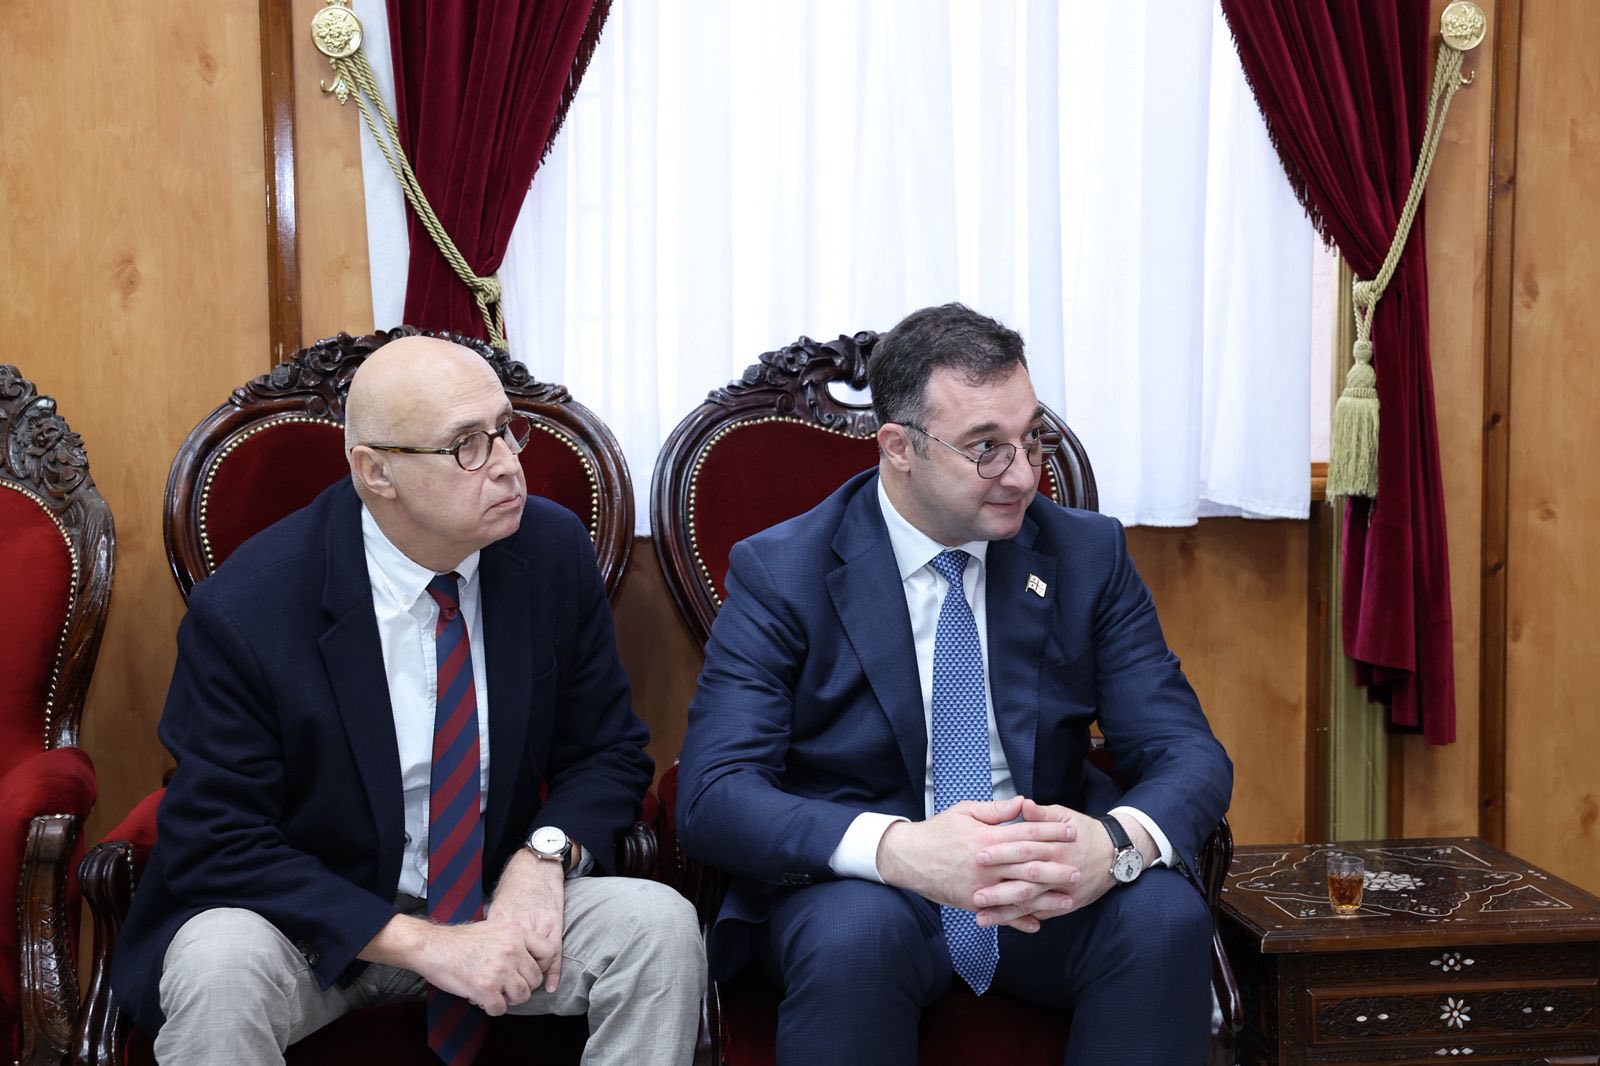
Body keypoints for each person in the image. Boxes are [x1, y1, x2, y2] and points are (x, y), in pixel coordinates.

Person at [112, 336, 705, 1066]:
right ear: (376, 472)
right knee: (217, 969)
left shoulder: (551, 552)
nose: (507, 464)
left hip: (491, 895)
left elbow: (606, 752)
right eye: (466, 446)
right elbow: (217, 837)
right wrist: (423, 945)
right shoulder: (251, 607)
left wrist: (543, 858)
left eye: (506, 428)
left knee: (658, 928)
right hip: (311, 921)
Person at [676, 303, 1233, 1064]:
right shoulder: (782, 572)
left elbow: (1188, 752)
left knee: (1163, 916)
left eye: (1030, 437)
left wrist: (1114, 845)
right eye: (986, 449)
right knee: (854, 938)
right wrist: (899, 850)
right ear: (899, 447)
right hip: (868, 890)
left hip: (1043, 886)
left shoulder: (1086, 554)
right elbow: (714, 794)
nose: (1024, 475)